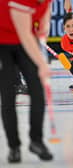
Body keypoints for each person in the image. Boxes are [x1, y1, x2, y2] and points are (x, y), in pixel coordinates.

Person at [0, 0, 53, 163]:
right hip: (3, 43)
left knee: (37, 92)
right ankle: (14, 147)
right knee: (8, 95)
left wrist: (43, 31)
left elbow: (43, 24)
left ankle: (36, 141)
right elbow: (24, 35)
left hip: (26, 41)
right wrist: (42, 63)